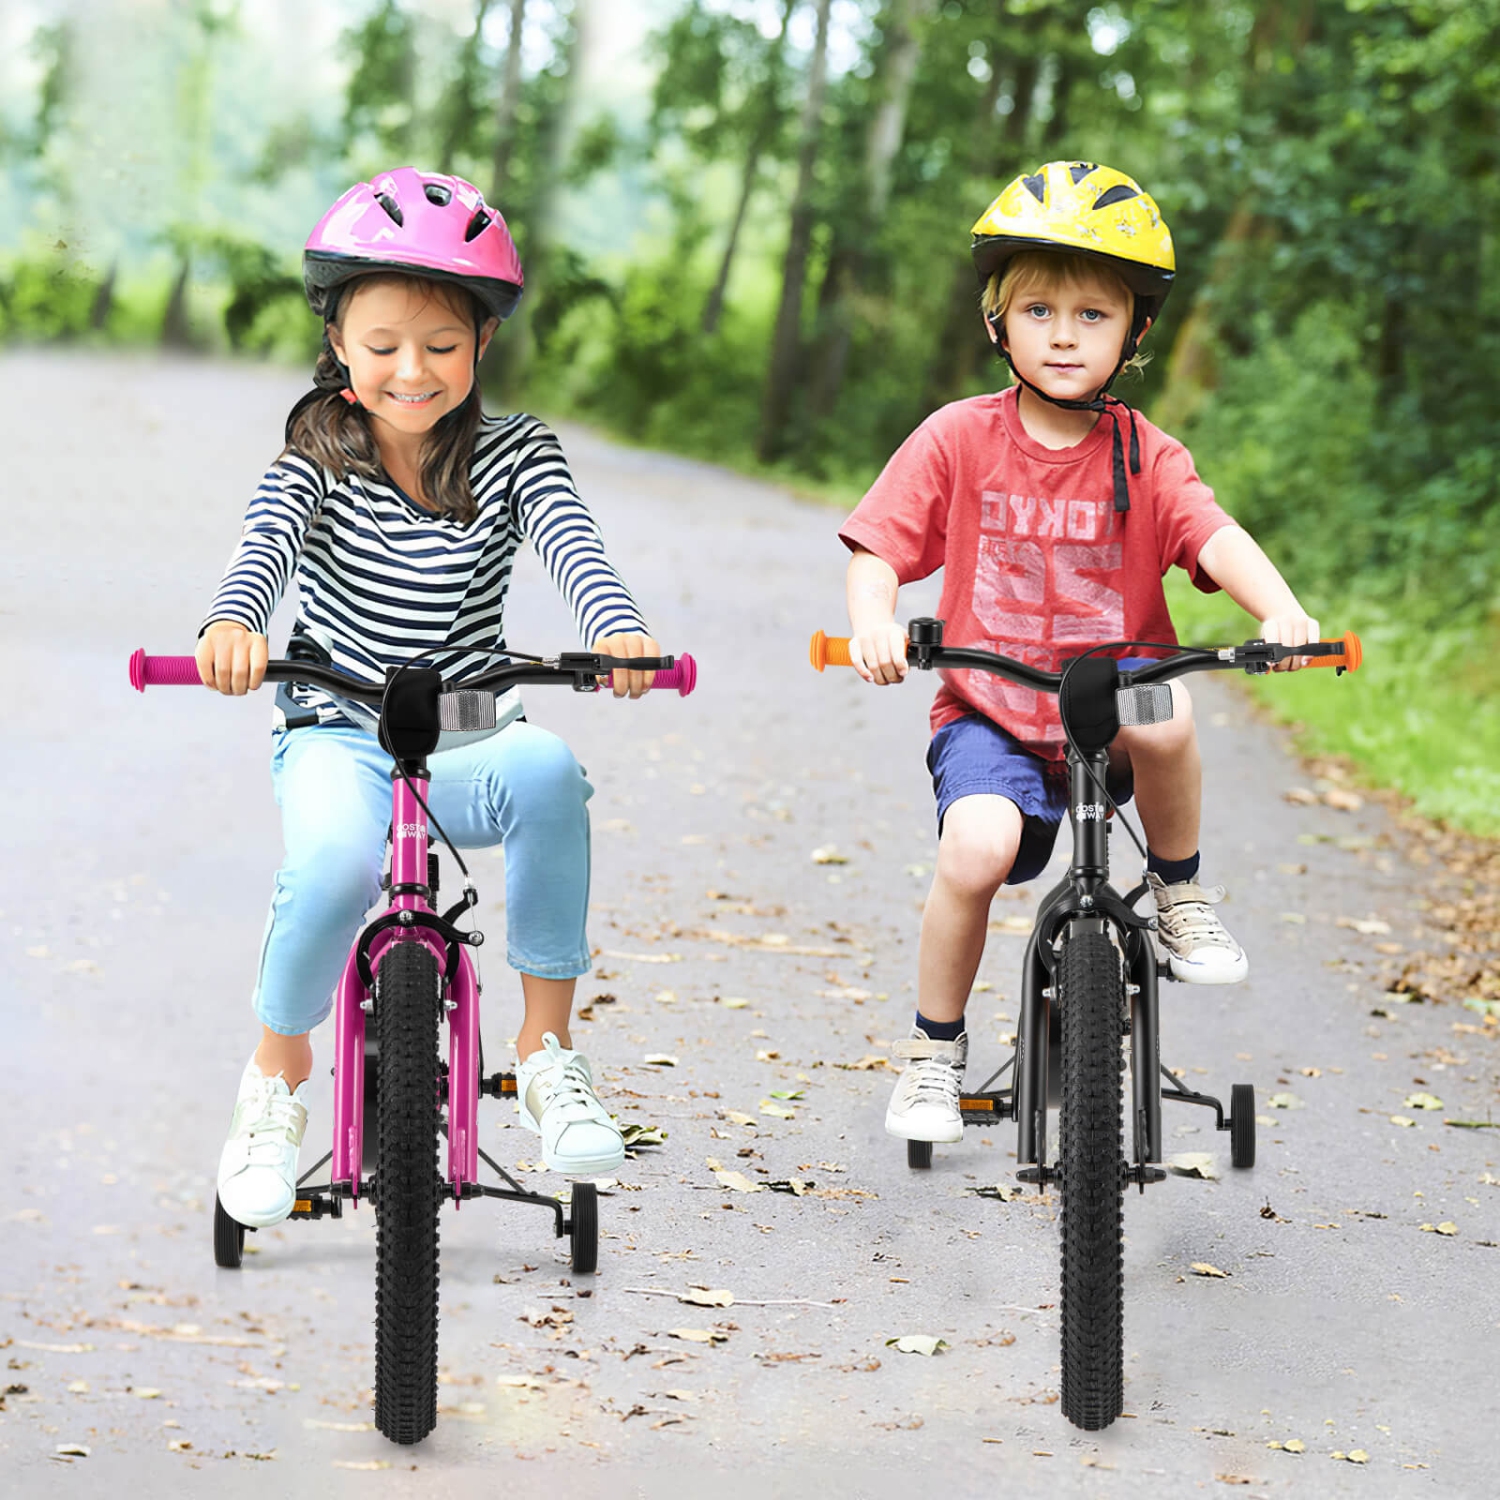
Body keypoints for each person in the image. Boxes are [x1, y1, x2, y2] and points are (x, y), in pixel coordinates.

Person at [200, 167, 658, 1226]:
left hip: (466, 736)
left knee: (548, 771)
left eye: (442, 346)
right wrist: (233, 626)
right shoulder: (315, 458)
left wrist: (615, 627)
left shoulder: (517, 454)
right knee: (332, 867)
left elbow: (574, 546)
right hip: (336, 732)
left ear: (483, 341)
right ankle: (275, 1077)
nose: (413, 371)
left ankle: (546, 1053)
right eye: (383, 346)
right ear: (338, 345)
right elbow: (262, 552)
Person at [839, 161, 1321, 1145]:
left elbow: (1213, 536)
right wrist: (873, 620)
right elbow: (878, 547)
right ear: (998, 323)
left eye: (1093, 315)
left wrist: (1281, 610)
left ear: (1134, 332)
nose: (1064, 335)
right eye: (1040, 311)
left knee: (1168, 709)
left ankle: (1178, 891)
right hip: (993, 712)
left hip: (1112, 703)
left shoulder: (1147, 454)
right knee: (974, 850)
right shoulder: (958, 438)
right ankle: (933, 1054)